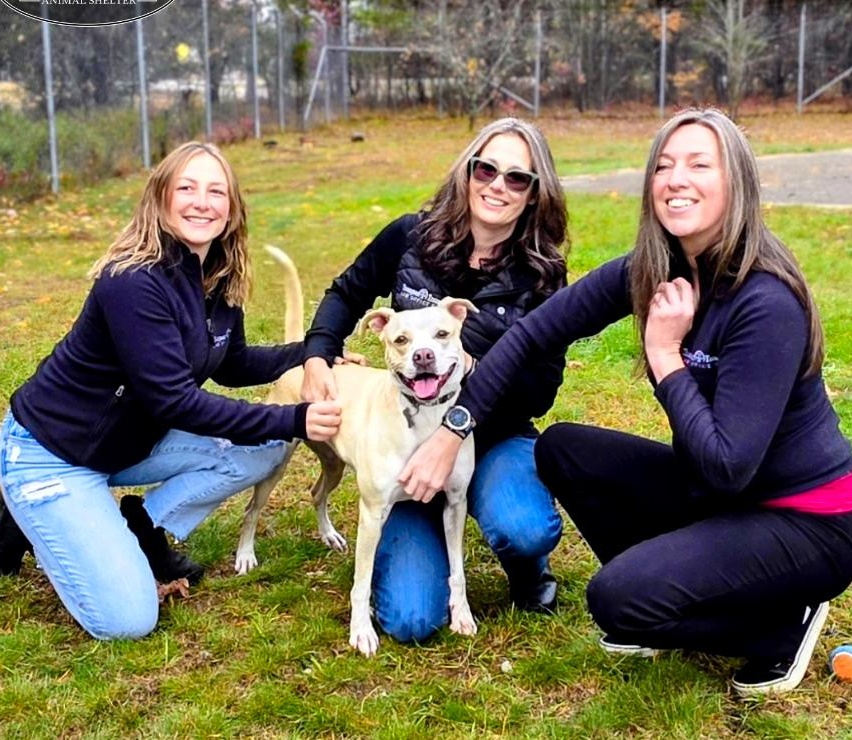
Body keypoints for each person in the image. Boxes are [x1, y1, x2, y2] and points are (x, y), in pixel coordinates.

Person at [404, 107, 852, 696]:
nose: (675, 179)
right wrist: (452, 429)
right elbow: (530, 335)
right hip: (720, 496)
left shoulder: (764, 301)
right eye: (663, 165)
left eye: (698, 164)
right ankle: (674, 589)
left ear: (736, 181)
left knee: (615, 602)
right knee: (563, 448)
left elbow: (728, 467)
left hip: (805, 520)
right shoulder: (654, 269)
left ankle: (776, 628)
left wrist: (665, 357)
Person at [0, 142, 342, 640]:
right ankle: (28, 507)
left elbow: (234, 364)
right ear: (160, 199)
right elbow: (174, 401)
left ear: (232, 208)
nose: (201, 202)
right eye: (186, 187)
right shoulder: (132, 281)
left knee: (265, 450)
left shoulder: (215, 277)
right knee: (129, 621)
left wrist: (313, 352)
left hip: (127, 445)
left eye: (215, 191)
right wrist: (295, 418)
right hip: (53, 454)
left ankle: (140, 527)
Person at [300, 117, 569, 642]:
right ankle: (418, 524)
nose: (497, 185)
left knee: (524, 527)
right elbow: (345, 294)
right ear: (466, 173)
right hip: (402, 432)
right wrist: (316, 356)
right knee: (410, 619)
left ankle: (524, 566)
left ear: (536, 195)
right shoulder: (410, 237)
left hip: (491, 435)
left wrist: (472, 374)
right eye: (486, 169)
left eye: (517, 178)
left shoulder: (541, 276)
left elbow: (541, 392)